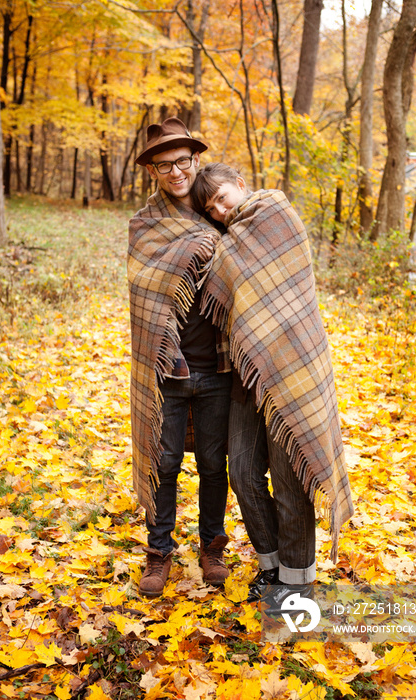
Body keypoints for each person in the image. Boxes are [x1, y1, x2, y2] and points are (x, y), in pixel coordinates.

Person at [191, 163, 354, 604]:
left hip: (292, 368)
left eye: (223, 198)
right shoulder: (225, 243)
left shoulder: (275, 213)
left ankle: (297, 582)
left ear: (240, 185)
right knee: (242, 472)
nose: (220, 210)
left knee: (288, 483)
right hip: (249, 374)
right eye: (210, 208)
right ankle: (272, 565)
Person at [128, 119, 232, 597]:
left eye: (183, 161)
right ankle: (159, 553)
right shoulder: (145, 224)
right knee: (163, 462)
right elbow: (144, 290)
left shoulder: (222, 212)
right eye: (164, 164)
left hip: (216, 366)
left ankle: (213, 548)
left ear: (195, 160)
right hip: (167, 368)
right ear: (152, 170)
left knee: (213, 464)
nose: (175, 172)